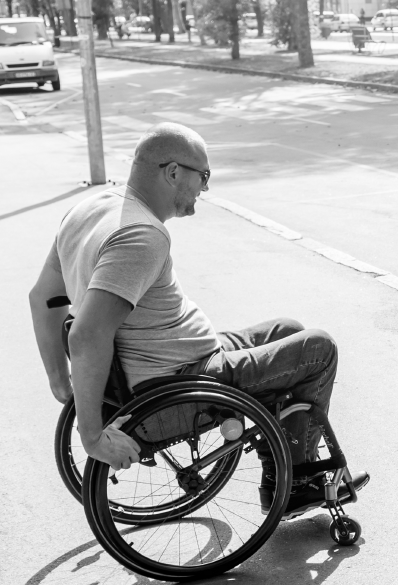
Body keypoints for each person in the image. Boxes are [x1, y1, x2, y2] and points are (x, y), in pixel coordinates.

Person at [28, 123, 368, 511]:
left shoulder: (90, 208)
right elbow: (87, 335)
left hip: (173, 362)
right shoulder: (141, 235)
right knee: (319, 348)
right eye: (203, 176)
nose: (205, 188)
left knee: (287, 330)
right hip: (178, 383)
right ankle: (295, 483)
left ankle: (287, 467)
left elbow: (43, 299)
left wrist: (61, 384)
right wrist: (92, 437)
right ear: (173, 172)